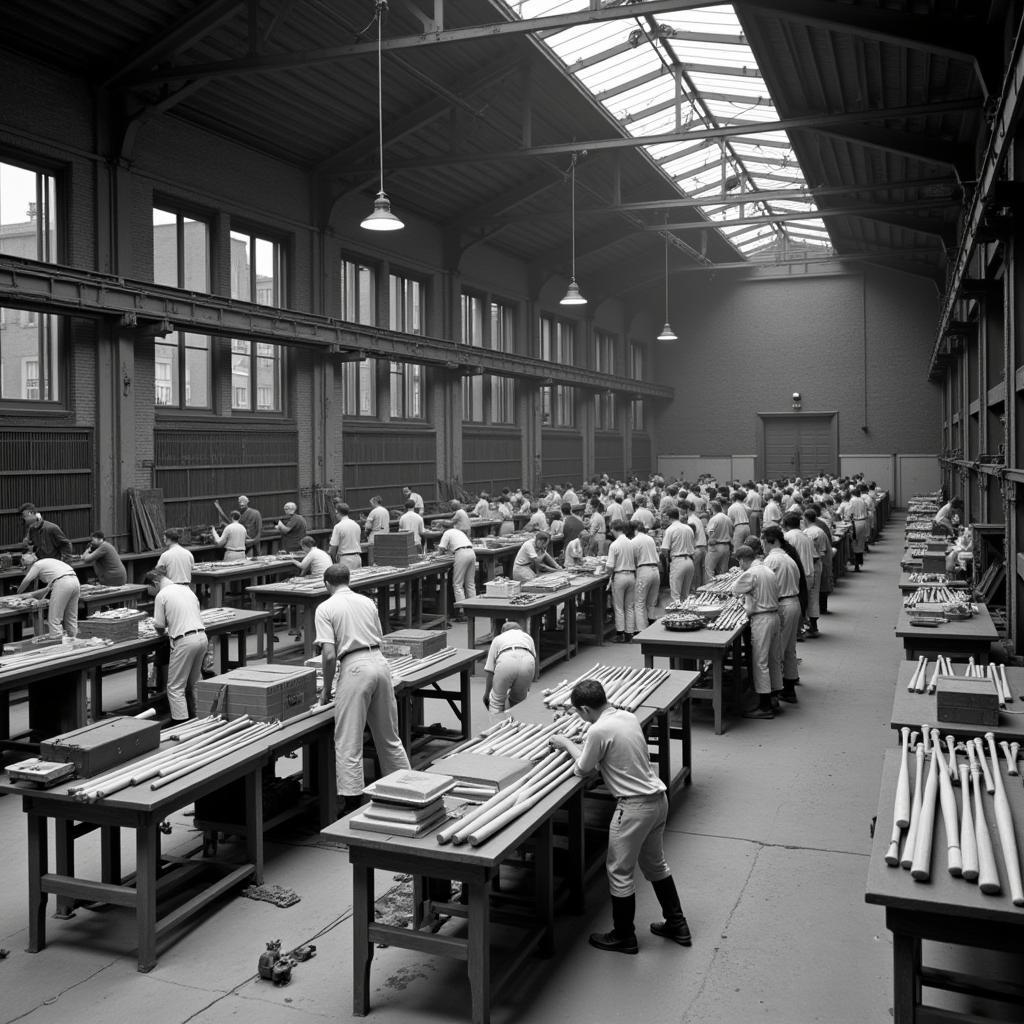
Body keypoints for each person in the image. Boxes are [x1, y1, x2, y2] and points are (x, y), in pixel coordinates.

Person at [550, 679, 691, 954]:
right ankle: (678, 924)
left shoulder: (598, 730)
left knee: (619, 872)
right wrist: (589, 742)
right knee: (655, 864)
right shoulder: (626, 716)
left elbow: (582, 769)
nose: (580, 718)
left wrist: (565, 742)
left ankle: (624, 935)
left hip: (634, 808)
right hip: (657, 800)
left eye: (579, 713)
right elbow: (614, 748)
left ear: (587, 709)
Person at [315, 564, 411, 812]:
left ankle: (351, 803)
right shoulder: (368, 602)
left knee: (348, 739)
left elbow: (328, 654)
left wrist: (326, 689)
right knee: (389, 736)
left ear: (327, 584)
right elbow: (379, 635)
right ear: (349, 579)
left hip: (354, 667)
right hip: (380, 663)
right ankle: (408, 790)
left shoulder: (325, 607)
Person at [146, 566, 206, 723]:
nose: (151, 596)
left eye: (149, 591)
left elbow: (159, 625)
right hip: (201, 636)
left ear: (155, 583)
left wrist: (161, 633)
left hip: (184, 641)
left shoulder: (162, 595)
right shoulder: (186, 590)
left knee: (175, 687)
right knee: (196, 682)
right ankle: (202, 717)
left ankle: (181, 722)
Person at [731, 542, 783, 719]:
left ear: (744, 560)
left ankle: (765, 706)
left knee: (760, 662)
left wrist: (746, 595)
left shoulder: (751, 572)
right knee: (773, 659)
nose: (739, 566)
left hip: (762, 619)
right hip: (774, 616)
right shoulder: (767, 569)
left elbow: (735, 589)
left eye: (739, 562)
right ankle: (774, 696)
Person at [761, 526, 801, 703]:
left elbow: (763, 583)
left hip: (783, 605)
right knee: (789, 648)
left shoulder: (772, 560)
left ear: (770, 541)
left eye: (764, 542)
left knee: (776, 651)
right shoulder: (788, 558)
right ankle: (789, 688)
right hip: (794, 602)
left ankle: (773, 695)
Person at [17, 553, 81, 638]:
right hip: (75, 581)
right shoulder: (48, 564)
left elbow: (27, 580)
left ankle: (58, 646)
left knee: (54, 620)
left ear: (28, 565)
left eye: (25, 568)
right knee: (71, 618)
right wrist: (31, 595)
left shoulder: (36, 565)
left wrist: (18, 593)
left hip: (63, 583)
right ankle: (73, 642)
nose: (25, 570)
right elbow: (48, 589)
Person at [482, 620, 537, 714]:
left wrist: (487, 694)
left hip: (506, 659)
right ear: (519, 630)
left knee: (496, 701)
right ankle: (518, 725)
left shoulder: (498, 639)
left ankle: (496, 725)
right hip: (527, 661)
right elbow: (533, 661)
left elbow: (490, 671)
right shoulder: (527, 637)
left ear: (503, 631)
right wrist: (526, 687)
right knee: (519, 702)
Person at [605, 520, 637, 643]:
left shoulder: (614, 545)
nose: (611, 532)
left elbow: (610, 566)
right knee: (629, 606)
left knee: (619, 607)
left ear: (614, 529)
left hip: (619, 576)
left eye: (611, 529)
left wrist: (607, 574)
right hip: (631, 575)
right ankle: (630, 633)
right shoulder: (630, 543)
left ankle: (620, 633)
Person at [437, 524, 477, 620]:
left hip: (461, 554)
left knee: (458, 584)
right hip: (471, 552)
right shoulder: (458, 531)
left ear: (443, 528)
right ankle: (474, 608)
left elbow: (441, 548)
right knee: (470, 583)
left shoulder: (446, 533)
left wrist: (437, 555)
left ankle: (462, 611)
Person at [660, 507, 695, 603]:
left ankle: (677, 616)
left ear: (668, 517)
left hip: (678, 561)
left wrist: (667, 559)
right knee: (685, 595)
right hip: (689, 561)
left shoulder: (670, 529)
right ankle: (686, 616)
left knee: (675, 595)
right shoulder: (688, 528)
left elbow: (664, 549)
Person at [631, 521, 661, 629]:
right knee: (651, 602)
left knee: (639, 602)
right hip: (655, 570)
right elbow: (658, 558)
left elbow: (633, 559)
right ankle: (651, 623)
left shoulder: (634, 541)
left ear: (634, 530)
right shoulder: (650, 539)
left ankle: (640, 629)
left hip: (643, 570)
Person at [329, 502, 363, 570]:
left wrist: (333, 559)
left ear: (338, 512)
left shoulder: (338, 526)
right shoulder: (356, 525)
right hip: (357, 558)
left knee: (345, 579)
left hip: (345, 560)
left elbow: (333, 547)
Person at [704, 501, 733, 580]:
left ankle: (708, 590)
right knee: (723, 572)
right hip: (726, 546)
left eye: (709, 509)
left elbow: (710, 531)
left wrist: (711, 538)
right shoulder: (727, 518)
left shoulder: (714, 518)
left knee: (709, 570)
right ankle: (721, 591)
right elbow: (731, 533)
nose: (708, 510)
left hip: (716, 546)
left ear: (712, 508)